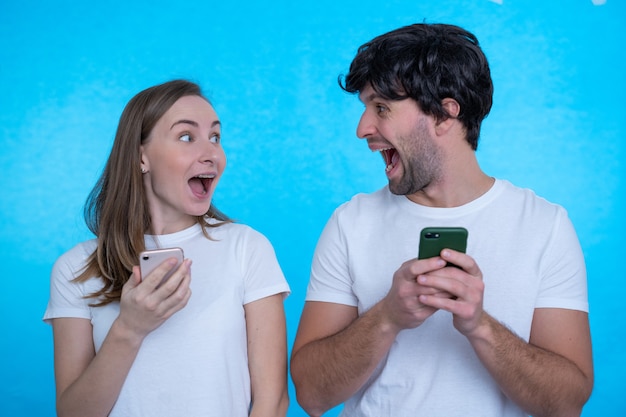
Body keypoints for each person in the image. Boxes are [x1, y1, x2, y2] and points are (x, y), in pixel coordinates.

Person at [290, 23, 593, 417]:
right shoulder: (350, 223)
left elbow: (567, 403)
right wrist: (387, 317)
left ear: (445, 115)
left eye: (381, 107)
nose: (362, 128)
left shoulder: (544, 226)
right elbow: (311, 395)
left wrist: (479, 326)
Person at [44, 79, 290, 417]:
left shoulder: (247, 249)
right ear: (141, 156)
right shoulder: (75, 268)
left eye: (215, 137)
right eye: (187, 137)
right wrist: (129, 329)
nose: (211, 153)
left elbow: (271, 402)